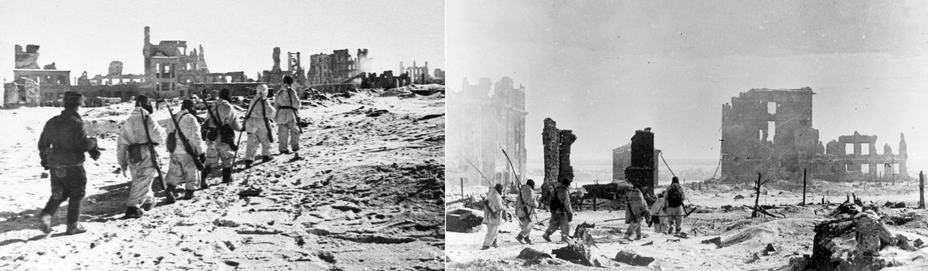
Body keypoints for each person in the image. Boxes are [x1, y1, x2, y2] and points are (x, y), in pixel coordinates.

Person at [37, 91, 101, 235]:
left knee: (59, 193)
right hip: (73, 165)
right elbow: (82, 145)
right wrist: (92, 142)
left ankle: (46, 215)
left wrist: (46, 160)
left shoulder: (52, 121)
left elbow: (43, 144)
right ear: (78, 105)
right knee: (77, 193)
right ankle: (73, 225)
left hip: (55, 164)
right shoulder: (77, 123)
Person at [116, 95, 165, 219]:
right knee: (143, 179)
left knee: (140, 179)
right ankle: (132, 208)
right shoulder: (148, 118)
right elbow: (159, 137)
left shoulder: (128, 120)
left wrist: (122, 163)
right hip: (147, 152)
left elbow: (121, 144)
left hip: (132, 153)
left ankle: (148, 200)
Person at [165, 100, 207, 201]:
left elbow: (168, 134)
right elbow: (196, 138)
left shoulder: (173, 118)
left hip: (174, 150)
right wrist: (201, 152)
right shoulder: (191, 119)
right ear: (190, 107)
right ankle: (189, 192)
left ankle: (170, 190)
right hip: (188, 152)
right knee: (191, 172)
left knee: (174, 172)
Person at [202, 89, 243, 184]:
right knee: (227, 158)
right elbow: (235, 123)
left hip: (211, 135)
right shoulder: (228, 106)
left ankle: (203, 179)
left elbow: (206, 120)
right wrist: (241, 128)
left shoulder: (213, 105)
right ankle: (226, 178)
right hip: (223, 136)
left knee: (211, 158)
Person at [243, 84, 276, 168]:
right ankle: (266, 155)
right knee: (265, 139)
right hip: (261, 122)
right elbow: (270, 112)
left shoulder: (253, 100)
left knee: (251, 142)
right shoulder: (264, 101)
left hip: (250, 122)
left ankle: (249, 160)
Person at [275, 75, 301, 155]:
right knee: (294, 130)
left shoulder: (279, 92)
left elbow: (276, 104)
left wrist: (277, 114)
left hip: (281, 113)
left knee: (282, 132)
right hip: (290, 113)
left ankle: (283, 148)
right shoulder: (291, 91)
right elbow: (296, 103)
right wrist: (297, 107)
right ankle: (295, 146)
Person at [542, 178, 573, 243]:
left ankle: (546, 234)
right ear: (567, 185)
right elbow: (567, 203)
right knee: (565, 225)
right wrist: (570, 213)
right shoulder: (564, 191)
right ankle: (564, 238)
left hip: (554, 210)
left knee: (554, 224)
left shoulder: (555, 189)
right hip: (562, 211)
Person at [515, 179, 538, 244]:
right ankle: (520, 237)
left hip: (520, 210)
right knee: (530, 225)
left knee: (524, 225)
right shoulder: (529, 191)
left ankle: (526, 238)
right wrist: (537, 204)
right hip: (527, 211)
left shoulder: (521, 190)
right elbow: (531, 201)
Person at [482, 183, 504, 250]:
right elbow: (498, 207)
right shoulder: (496, 196)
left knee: (494, 230)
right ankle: (486, 245)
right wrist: (504, 208)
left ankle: (494, 243)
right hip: (493, 215)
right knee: (492, 231)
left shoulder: (491, 194)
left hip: (489, 215)